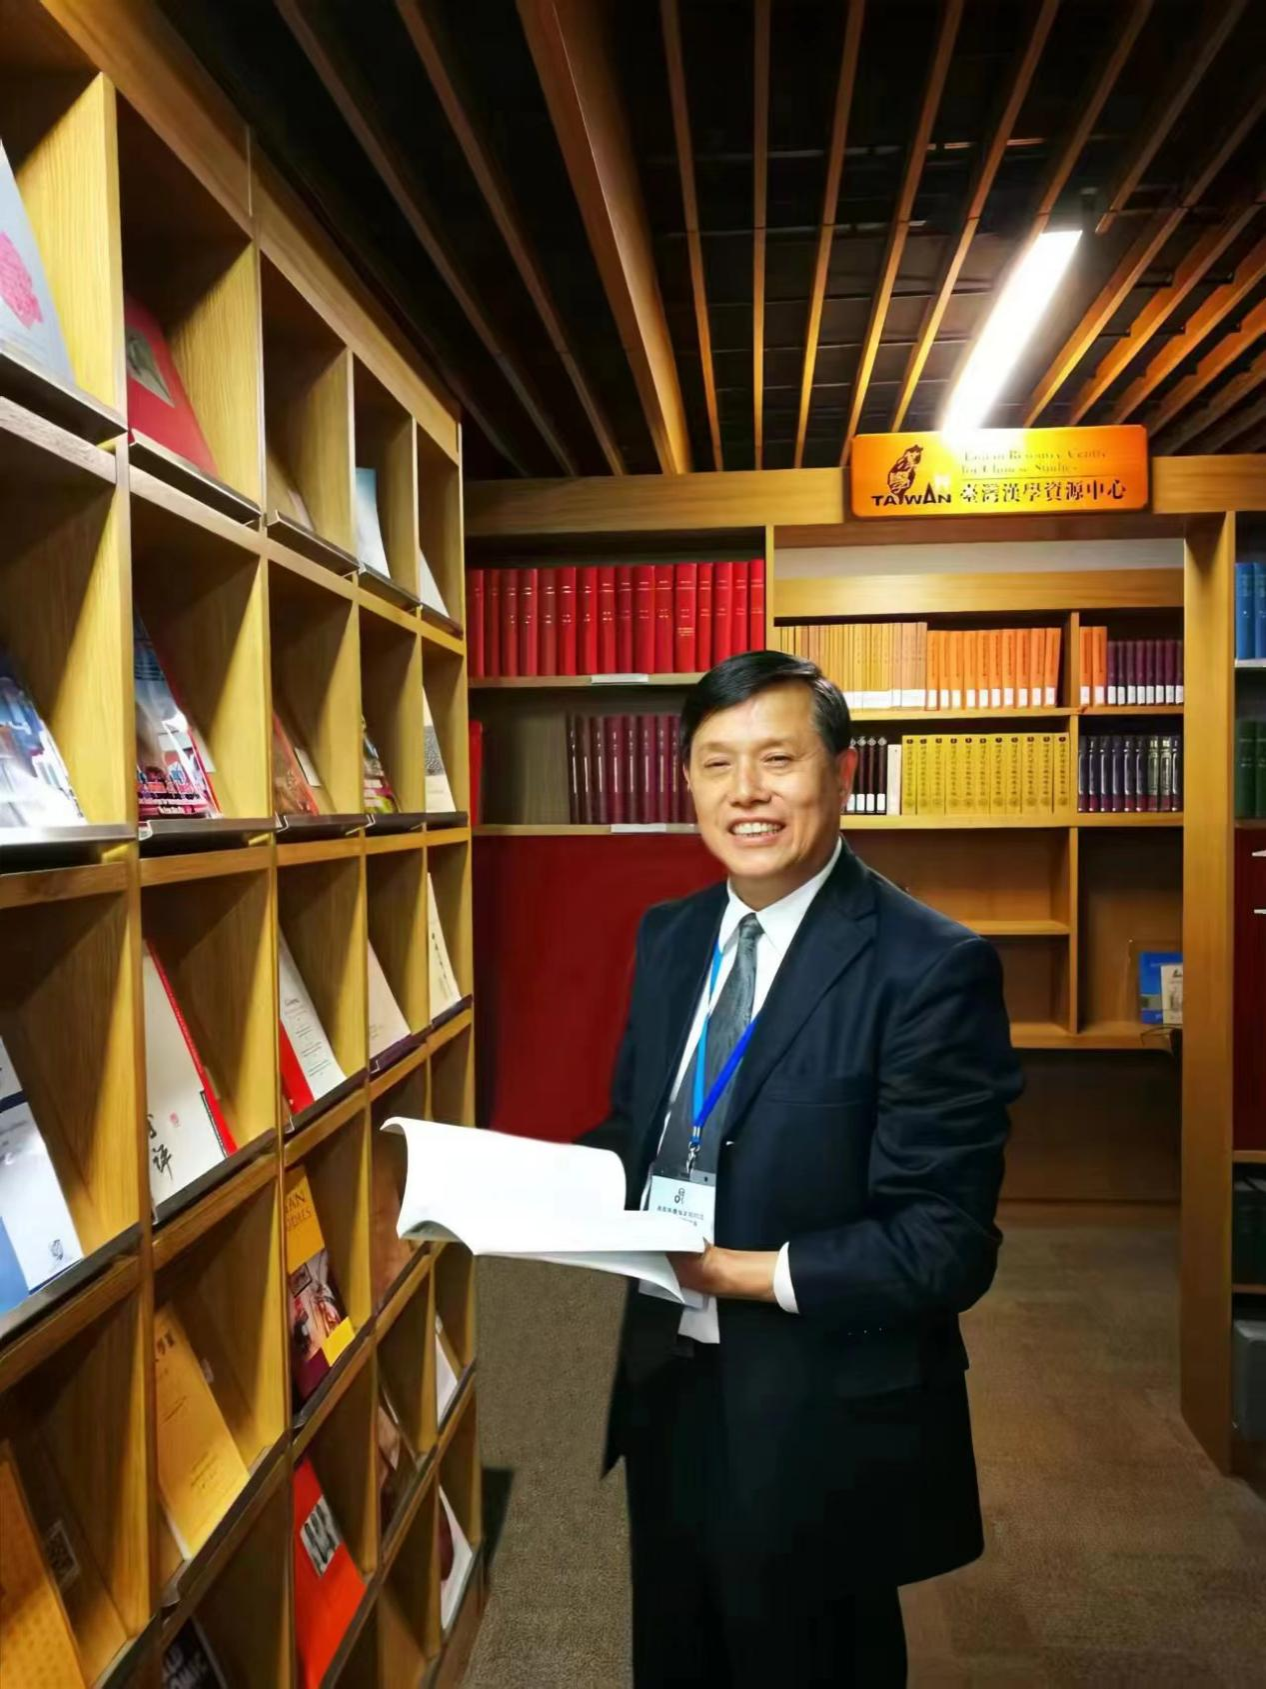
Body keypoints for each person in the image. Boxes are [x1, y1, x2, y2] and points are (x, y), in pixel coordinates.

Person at [588, 650, 1022, 1687]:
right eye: (716, 763)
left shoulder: (930, 966)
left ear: (843, 773)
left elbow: (943, 1244)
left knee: (808, 1663)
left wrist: (734, 1272)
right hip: (661, 1376)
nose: (746, 792)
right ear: (688, 781)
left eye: (777, 760)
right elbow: (638, 1132)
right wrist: (519, 1195)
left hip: (816, 1407)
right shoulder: (671, 935)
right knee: (672, 1652)